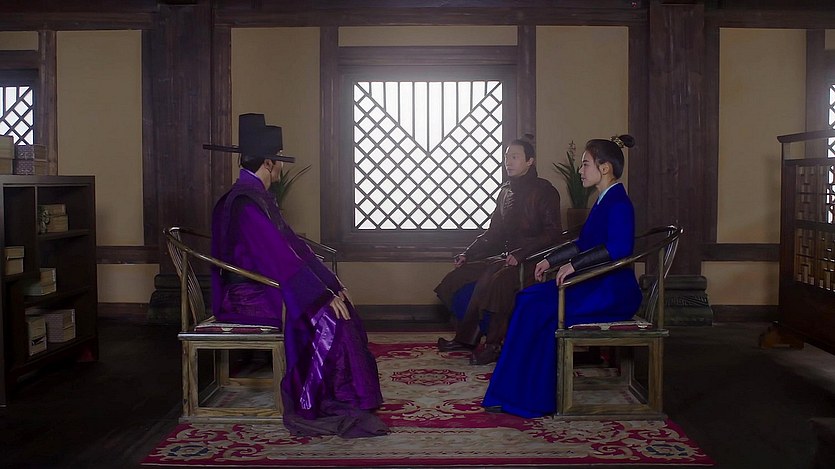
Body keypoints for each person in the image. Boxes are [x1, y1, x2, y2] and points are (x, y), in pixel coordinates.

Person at [207, 113, 388, 438]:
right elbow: (278, 258)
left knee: (339, 306)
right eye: (278, 159)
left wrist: (332, 285)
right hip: (248, 295)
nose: (280, 166)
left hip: (267, 284)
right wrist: (319, 296)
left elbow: (294, 248)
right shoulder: (245, 204)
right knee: (327, 318)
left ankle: (356, 395)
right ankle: (325, 399)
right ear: (269, 163)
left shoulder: (257, 197)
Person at [482, 134, 642, 418]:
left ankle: (534, 398)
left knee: (540, 308)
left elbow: (618, 249)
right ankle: (510, 391)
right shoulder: (603, 201)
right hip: (596, 283)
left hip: (613, 291)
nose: (580, 170)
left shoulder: (618, 203)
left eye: (586, 164)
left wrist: (574, 266)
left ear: (605, 168)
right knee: (527, 297)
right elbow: (583, 243)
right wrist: (550, 260)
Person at [435, 135, 562, 365]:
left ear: (530, 161)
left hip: (533, 259)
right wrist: (468, 253)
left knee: (499, 283)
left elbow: (553, 233)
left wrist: (522, 254)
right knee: (457, 278)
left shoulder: (545, 191)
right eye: (506, 157)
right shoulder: (505, 191)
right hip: (505, 256)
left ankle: (493, 345)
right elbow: (494, 233)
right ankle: (466, 338)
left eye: (515, 157)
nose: (508, 162)